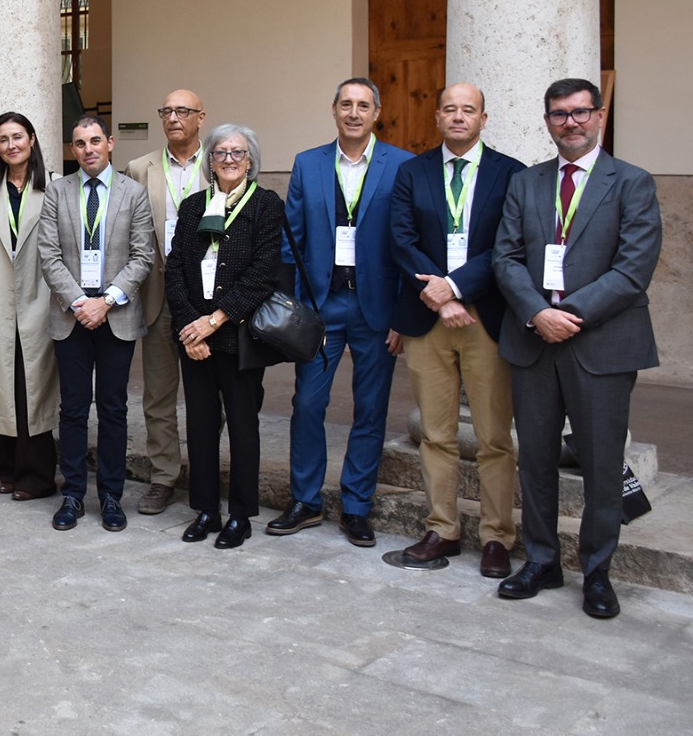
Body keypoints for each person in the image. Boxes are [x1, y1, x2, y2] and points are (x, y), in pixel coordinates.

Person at [492, 78, 661, 619]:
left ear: (600, 115)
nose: (571, 123)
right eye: (560, 114)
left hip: (602, 345)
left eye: (581, 112)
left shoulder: (632, 182)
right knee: (536, 460)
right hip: (534, 341)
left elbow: (632, 269)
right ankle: (542, 561)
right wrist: (537, 313)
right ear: (547, 122)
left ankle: (597, 571)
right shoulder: (526, 183)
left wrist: (570, 316)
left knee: (602, 464)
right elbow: (505, 257)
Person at [389, 84, 524, 578]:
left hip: (485, 317)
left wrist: (456, 289)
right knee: (436, 433)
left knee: (494, 437)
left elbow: (508, 244)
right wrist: (439, 296)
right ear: (438, 118)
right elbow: (401, 239)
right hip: (427, 319)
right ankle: (442, 528)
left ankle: (496, 536)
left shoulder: (511, 173)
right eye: (450, 109)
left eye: (469, 110)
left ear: (484, 119)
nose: (459, 117)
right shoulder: (413, 172)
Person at [267, 77, 409, 548]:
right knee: (308, 403)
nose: (353, 113)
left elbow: (407, 243)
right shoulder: (308, 164)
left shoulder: (401, 165)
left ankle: (356, 506)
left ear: (376, 113)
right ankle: (306, 500)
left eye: (363, 105)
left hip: (376, 308)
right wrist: (296, 307)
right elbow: (291, 242)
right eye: (345, 104)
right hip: (322, 305)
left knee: (370, 409)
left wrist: (402, 315)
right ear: (333, 111)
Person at [166, 125, 284, 549]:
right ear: (210, 161)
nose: (229, 159)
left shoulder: (266, 204)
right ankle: (205, 510)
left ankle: (240, 515)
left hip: (239, 336)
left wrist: (214, 321)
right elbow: (175, 269)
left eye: (238, 152)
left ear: (250, 161)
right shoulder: (193, 206)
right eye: (220, 153)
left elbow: (262, 274)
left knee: (242, 426)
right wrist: (190, 328)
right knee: (199, 427)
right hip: (195, 340)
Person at [38, 115, 155, 532]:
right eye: (79, 143)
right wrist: (79, 303)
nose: (88, 149)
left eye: (94, 141)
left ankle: (110, 496)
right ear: (73, 149)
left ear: (110, 143)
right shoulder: (57, 192)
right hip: (70, 317)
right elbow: (48, 254)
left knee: (113, 409)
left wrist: (104, 303)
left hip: (116, 316)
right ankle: (72, 493)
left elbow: (143, 256)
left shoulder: (133, 193)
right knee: (72, 410)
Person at [0, 112, 59, 501]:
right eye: (2, 140)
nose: (11, 145)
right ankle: (9, 471)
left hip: (40, 297)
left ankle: (37, 477)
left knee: (32, 388)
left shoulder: (54, 186)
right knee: (2, 386)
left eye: (17, 137)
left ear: (32, 140)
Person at [122, 89, 208, 516]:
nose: (173, 118)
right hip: (156, 295)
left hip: (206, 301)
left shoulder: (220, 162)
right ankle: (163, 476)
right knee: (158, 395)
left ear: (200, 118)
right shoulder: (140, 168)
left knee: (208, 394)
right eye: (167, 111)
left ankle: (205, 470)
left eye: (182, 111)